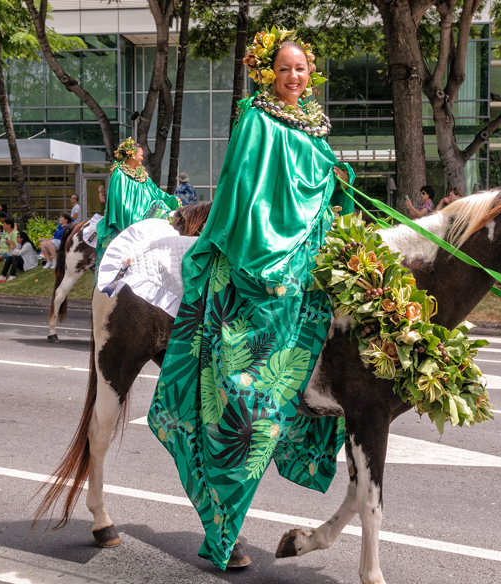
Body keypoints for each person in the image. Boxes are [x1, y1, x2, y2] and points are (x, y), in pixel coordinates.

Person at [148, 30, 355, 571]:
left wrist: (337, 180)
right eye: (285, 68)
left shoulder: (314, 127)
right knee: (246, 408)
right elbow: (245, 196)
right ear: (269, 73)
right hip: (263, 271)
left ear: (312, 74)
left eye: (302, 69)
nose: (295, 77)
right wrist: (264, 265)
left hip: (310, 266)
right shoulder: (256, 120)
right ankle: (221, 528)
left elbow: (313, 191)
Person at [94, 137, 181, 269]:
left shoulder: (142, 175)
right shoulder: (119, 174)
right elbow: (119, 201)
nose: (142, 158)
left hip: (145, 214)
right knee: (160, 208)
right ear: (132, 155)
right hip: (133, 216)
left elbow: (157, 193)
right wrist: (135, 217)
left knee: (163, 207)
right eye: (141, 155)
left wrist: (172, 199)